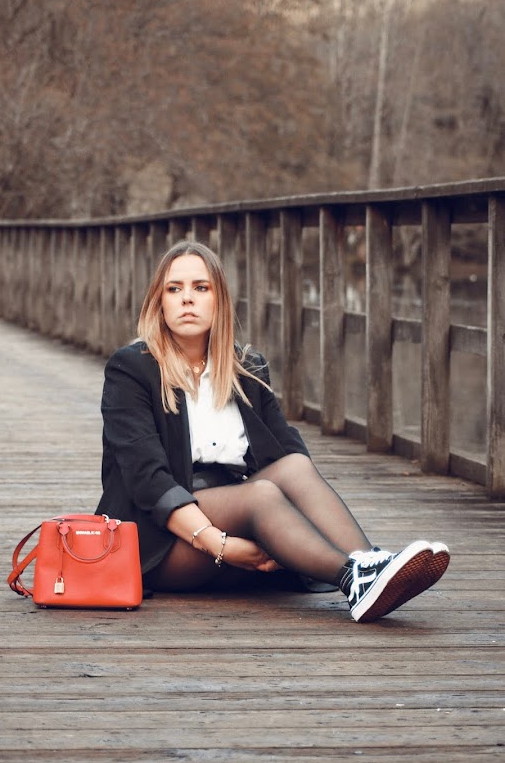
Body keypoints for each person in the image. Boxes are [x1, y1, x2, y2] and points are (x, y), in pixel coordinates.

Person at [95, 240, 450, 623]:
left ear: (219, 300)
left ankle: (367, 564)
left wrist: (286, 526)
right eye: (174, 288)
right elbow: (148, 481)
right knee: (261, 495)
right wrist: (221, 544)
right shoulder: (132, 369)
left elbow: (285, 453)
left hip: (233, 515)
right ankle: (352, 576)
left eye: (201, 287)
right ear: (159, 302)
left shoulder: (246, 367)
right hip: (156, 539)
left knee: (294, 465)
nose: (187, 299)